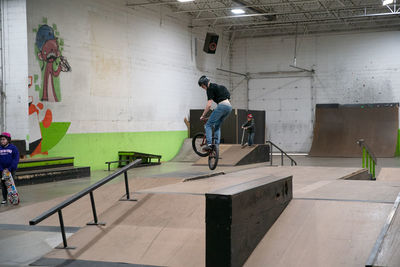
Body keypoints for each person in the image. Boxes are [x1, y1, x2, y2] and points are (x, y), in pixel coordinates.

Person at [198, 75, 232, 151]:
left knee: (208, 125)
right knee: (217, 126)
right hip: (229, 108)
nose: (203, 88)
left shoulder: (209, 88)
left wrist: (203, 115)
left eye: (202, 86)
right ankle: (216, 146)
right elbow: (227, 99)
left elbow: (209, 105)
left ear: (204, 84)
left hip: (221, 107)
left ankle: (209, 144)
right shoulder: (221, 87)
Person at [0, 132, 19, 204]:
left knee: (10, 184)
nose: (2, 141)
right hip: (2, 171)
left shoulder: (13, 148)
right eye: (1, 139)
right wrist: (2, 169)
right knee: (3, 184)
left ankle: (13, 197)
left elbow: (15, 159)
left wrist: (10, 168)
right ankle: (4, 199)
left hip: (11, 170)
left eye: (4, 139)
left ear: (8, 140)